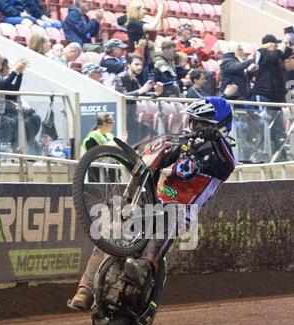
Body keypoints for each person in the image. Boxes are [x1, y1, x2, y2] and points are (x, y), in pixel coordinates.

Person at [69, 97, 236, 311]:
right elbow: (156, 154)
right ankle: (85, 290)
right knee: (112, 231)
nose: (196, 128)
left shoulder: (225, 154)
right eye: (194, 122)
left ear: (219, 126)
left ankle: (145, 265)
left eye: (202, 124)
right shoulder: (186, 143)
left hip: (182, 210)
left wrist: (216, 140)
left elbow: (226, 164)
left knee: (169, 216)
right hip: (154, 201)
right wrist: (142, 150)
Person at [114, 53, 163, 145]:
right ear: (128, 65)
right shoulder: (120, 78)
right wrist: (142, 90)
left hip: (130, 118)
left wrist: (156, 93)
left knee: (151, 133)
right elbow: (123, 96)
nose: (139, 67)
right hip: (121, 119)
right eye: (136, 64)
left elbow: (143, 93)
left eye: (141, 65)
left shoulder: (134, 80)